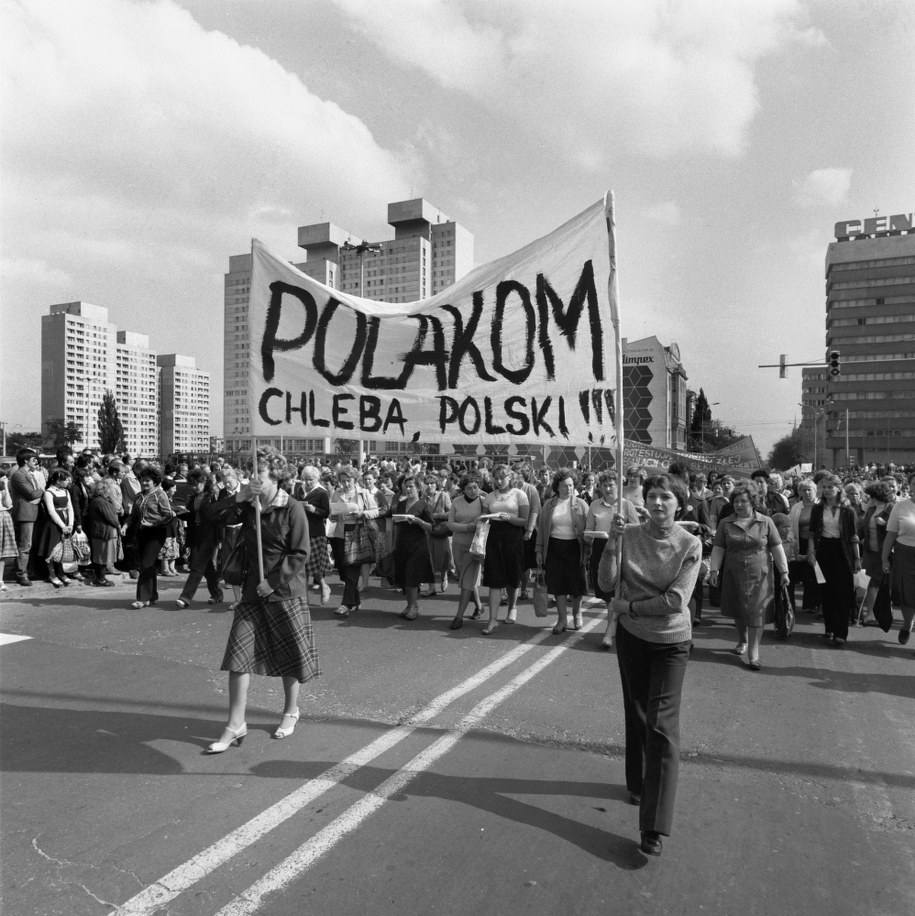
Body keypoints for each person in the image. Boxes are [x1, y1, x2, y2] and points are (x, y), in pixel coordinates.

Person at [598, 473, 701, 858]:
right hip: (632, 638)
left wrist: (631, 607)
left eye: (666, 498)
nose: (658, 504)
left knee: (662, 727)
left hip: (671, 642)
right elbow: (607, 584)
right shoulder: (630, 534)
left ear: (680, 505)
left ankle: (653, 824)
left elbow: (676, 601)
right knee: (637, 713)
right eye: (653, 497)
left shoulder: (690, 544)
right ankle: (638, 782)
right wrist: (612, 541)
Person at [203, 447, 318, 753]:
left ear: (276, 476)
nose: (254, 477)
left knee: (290, 655)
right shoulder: (248, 506)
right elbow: (210, 515)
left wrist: (275, 581)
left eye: (261, 472)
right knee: (238, 657)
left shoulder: (292, 507)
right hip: (253, 593)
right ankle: (235, 723)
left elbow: (300, 552)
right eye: (252, 472)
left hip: (284, 592)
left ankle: (290, 710)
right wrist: (239, 498)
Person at [708, 481, 789, 669]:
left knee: (756, 612)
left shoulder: (766, 522)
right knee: (738, 609)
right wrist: (714, 570)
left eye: (743, 501)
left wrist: (784, 571)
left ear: (753, 502)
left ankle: (754, 653)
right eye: (736, 501)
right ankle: (742, 640)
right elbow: (719, 549)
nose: (739, 505)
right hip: (733, 573)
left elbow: (777, 548)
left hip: (760, 575)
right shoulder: (725, 523)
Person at [585, 471, 640, 649]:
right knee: (607, 594)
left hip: (621, 549)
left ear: (618, 486)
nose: (608, 489)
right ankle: (614, 628)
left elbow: (636, 530)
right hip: (601, 548)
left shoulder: (626, 505)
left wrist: (622, 529)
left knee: (616, 593)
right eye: (604, 485)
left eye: (611, 485)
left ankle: (610, 631)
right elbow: (588, 531)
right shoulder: (594, 505)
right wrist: (589, 535)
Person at [807, 474, 861, 647]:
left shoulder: (847, 510)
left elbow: (853, 536)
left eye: (831, 487)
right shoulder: (817, 508)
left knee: (843, 593)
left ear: (839, 488)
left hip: (842, 552)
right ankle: (829, 627)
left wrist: (857, 559)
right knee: (826, 591)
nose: (827, 490)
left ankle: (841, 632)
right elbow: (812, 532)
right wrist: (811, 552)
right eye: (824, 487)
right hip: (823, 552)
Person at [536, 467, 589, 634]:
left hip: (575, 548)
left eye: (571, 485)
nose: (569, 489)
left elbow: (588, 529)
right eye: (565, 485)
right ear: (557, 487)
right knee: (558, 585)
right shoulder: (549, 505)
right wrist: (539, 550)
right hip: (554, 547)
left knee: (576, 584)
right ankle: (562, 619)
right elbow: (542, 529)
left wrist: (588, 551)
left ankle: (577, 613)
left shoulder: (581, 504)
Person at [480, 464, 530, 635]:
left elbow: (524, 520)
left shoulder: (519, 494)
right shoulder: (489, 496)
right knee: (494, 578)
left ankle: (512, 606)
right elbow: (483, 518)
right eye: (496, 477)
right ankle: (492, 619)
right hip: (493, 537)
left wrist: (508, 517)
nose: (499, 481)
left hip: (512, 537)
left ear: (510, 478)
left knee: (512, 576)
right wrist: (485, 519)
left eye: (503, 477)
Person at [328, 467, 380, 618]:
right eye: (342, 481)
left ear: (355, 480)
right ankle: (355, 601)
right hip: (340, 533)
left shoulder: (363, 493)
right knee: (344, 570)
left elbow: (376, 511)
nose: (345, 484)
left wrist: (362, 513)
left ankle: (346, 604)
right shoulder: (336, 493)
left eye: (348, 481)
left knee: (352, 570)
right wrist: (332, 517)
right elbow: (332, 512)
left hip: (357, 533)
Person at [125, 466, 175, 609]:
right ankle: (152, 596)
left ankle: (142, 598)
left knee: (146, 564)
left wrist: (153, 523)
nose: (144, 483)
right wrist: (125, 525)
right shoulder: (138, 496)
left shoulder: (160, 494)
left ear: (155, 481)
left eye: (148, 481)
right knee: (149, 565)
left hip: (156, 534)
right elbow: (133, 515)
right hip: (141, 533)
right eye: (142, 480)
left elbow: (168, 515)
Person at [175, 470, 223, 608]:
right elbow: (190, 515)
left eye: (197, 484)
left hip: (208, 535)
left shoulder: (212, 496)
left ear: (204, 482)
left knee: (196, 566)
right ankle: (217, 593)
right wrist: (178, 513)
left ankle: (185, 597)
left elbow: (218, 518)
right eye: (192, 485)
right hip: (195, 534)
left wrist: (219, 539)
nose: (195, 487)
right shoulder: (191, 497)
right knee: (207, 567)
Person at [391, 475, 435, 620]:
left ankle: (414, 606)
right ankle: (409, 605)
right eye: (406, 486)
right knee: (405, 576)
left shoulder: (424, 505)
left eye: (411, 486)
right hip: (403, 543)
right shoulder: (401, 505)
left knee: (412, 576)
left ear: (418, 488)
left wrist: (419, 522)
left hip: (418, 545)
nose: (408, 489)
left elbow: (431, 527)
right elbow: (396, 525)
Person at [446, 474, 486, 629]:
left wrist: (475, 525)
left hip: (475, 546)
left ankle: (459, 616)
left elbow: (486, 520)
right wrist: (467, 527)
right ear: (463, 489)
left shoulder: (484, 501)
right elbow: (450, 524)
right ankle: (479, 606)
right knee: (465, 578)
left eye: (475, 487)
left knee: (467, 581)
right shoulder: (456, 501)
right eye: (469, 488)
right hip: (457, 544)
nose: (472, 491)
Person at [881, 469, 915, 646]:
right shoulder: (900, 506)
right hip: (905, 554)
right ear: (910, 486)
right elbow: (891, 535)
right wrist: (884, 559)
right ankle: (908, 623)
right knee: (907, 596)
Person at [857, 480, 894, 626]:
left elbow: (899, 530)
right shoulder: (871, 509)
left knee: (876, 584)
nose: (868, 498)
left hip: (884, 553)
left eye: (871, 495)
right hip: (869, 552)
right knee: (865, 583)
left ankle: (870, 614)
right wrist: (854, 538)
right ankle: (867, 614)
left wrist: (886, 525)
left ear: (877, 495)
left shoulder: (892, 509)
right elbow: (863, 528)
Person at [295, 465, 332, 606]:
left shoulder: (322, 493)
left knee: (314, 566)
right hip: (301, 531)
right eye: (305, 479)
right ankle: (304, 598)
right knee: (302, 567)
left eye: (311, 479)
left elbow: (326, 513)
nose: (308, 482)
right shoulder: (299, 490)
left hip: (316, 532)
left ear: (317, 478)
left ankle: (324, 586)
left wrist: (314, 509)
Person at [9, 447, 45, 586]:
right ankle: (21, 573)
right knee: (25, 545)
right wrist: (42, 490)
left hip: (33, 511)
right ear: (25, 460)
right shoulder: (19, 475)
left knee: (30, 544)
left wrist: (38, 492)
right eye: (33, 459)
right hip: (25, 513)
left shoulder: (28, 473)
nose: (36, 462)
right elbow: (31, 493)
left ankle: (28, 570)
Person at [36, 468, 76, 588]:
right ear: (58, 480)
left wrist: (70, 524)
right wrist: (62, 526)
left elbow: (70, 508)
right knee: (52, 549)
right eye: (65, 480)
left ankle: (61, 573)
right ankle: (51, 574)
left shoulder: (66, 492)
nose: (67, 482)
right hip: (54, 524)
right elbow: (51, 511)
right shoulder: (48, 493)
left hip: (66, 523)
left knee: (64, 549)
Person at [787, 478, 820, 616]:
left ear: (815, 490)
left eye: (809, 489)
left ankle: (815, 604)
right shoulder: (796, 507)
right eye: (803, 490)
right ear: (800, 492)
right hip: (800, 542)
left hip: (818, 544)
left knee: (816, 574)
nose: (807, 492)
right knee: (802, 573)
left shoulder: (821, 505)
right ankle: (796, 605)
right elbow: (790, 526)